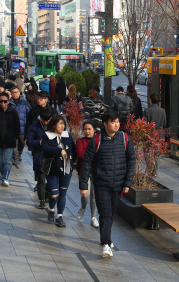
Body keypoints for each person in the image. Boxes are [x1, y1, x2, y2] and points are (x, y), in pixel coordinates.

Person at [79, 111, 135, 258]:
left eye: (117, 121)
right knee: (105, 213)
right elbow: (87, 163)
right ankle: (106, 243)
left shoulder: (125, 138)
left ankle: (105, 237)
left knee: (111, 213)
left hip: (119, 183)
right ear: (105, 124)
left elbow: (131, 160)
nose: (116, 124)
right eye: (112, 121)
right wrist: (83, 185)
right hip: (101, 183)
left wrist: (128, 182)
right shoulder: (97, 140)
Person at [41, 114, 76, 227]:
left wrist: (72, 164)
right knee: (54, 194)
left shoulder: (68, 135)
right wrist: (58, 151)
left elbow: (73, 149)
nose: (62, 126)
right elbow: (45, 149)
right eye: (60, 123)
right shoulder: (47, 136)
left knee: (63, 194)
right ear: (54, 125)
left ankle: (59, 216)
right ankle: (51, 210)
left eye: (63, 124)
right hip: (52, 169)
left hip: (66, 170)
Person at [0, 92, 21, 187]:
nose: (3, 103)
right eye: (1, 101)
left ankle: (5, 178)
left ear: (8, 101)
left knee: (8, 160)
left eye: (5, 101)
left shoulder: (13, 112)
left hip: (10, 139)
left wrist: (16, 136)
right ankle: (2, 173)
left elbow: (17, 125)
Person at [26, 107, 54, 209]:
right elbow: (29, 142)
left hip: (52, 157)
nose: (46, 122)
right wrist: (39, 142)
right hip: (39, 157)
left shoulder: (55, 126)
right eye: (44, 120)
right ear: (40, 117)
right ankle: (42, 200)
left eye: (48, 120)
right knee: (41, 180)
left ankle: (46, 194)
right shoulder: (34, 126)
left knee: (51, 180)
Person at [76, 120, 99, 228]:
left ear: (94, 130)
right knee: (86, 194)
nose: (87, 131)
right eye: (85, 129)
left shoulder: (98, 141)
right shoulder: (80, 141)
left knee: (94, 195)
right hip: (83, 171)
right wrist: (93, 154)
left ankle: (93, 217)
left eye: (89, 129)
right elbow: (80, 154)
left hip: (96, 171)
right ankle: (83, 207)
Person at [9, 87, 32, 165]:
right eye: (12, 92)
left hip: (22, 128)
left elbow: (30, 115)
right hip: (12, 128)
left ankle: (19, 154)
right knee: (13, 143)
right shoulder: (9, 103)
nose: (14, 94)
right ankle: (15, 157)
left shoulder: (25, 103)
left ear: (19, 93)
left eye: (16, 92)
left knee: (21, 143)